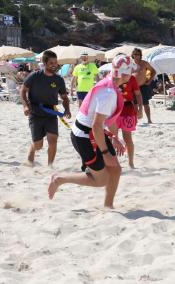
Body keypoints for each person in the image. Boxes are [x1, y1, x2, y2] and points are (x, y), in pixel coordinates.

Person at [47, 55, 134, 208]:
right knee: (101, 180)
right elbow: (96, 125)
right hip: (84, 136)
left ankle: (108, 206)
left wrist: (113, 137)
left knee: (115, 170)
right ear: (125, 74)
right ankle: (59, 179)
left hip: (95, 132)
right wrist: (106, 153)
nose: (133, 73)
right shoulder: (108, 93)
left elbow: (106, 121)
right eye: (131, 70)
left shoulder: (110, 83)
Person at [20, 50, 70, 166]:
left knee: (53, 140)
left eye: (55, 62)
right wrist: (25, 106)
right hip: (35, 112)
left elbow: (64, 97)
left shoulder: (59, 80)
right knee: (38, 145)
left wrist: (67, 109)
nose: (54, 65)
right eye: (51, 62)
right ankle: (32, 150)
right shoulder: (35, 76)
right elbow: (22, 90)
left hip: (51, 113)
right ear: (45, 63)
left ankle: (50, 166)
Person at [116, 74, 143, 168]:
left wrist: (140, 109)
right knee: (113, 137)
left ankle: (131, 162)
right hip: (114, 109)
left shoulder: (131, 78)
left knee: (127, 138)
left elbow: (138, 94)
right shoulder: (111, 76)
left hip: (128, 109)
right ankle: (114, 163)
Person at [132, 48, 156, 123]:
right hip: (133, 86)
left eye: (138, 54)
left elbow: (153, 71)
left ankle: (149, 119)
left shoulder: (144, 63)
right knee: (135, 104)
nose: (136, 56)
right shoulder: (130, 64)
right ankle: (135, 120)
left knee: (145, 103)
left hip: (143, 85)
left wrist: (149, 81)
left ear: (140, 55)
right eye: (135, 54)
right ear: (132, 55)